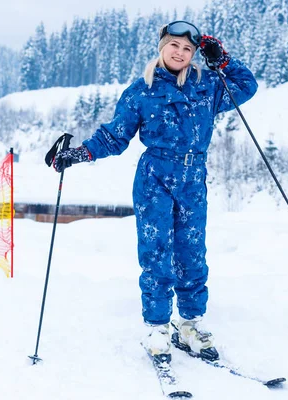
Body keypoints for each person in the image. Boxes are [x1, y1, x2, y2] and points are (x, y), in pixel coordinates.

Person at [53, 20, 258, 362]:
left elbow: (247, 86)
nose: (179, 53)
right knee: (157, 252)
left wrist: (222, 60)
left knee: (192, 253)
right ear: (162, 48)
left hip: (193, 178)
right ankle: (158, 327)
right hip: (155, 179)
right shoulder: (141, 90)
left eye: (188, 49)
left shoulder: (208, 85)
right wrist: (80, 154)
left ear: (194, 55)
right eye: (174, 46)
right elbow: (114, 136)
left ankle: (190, 325)